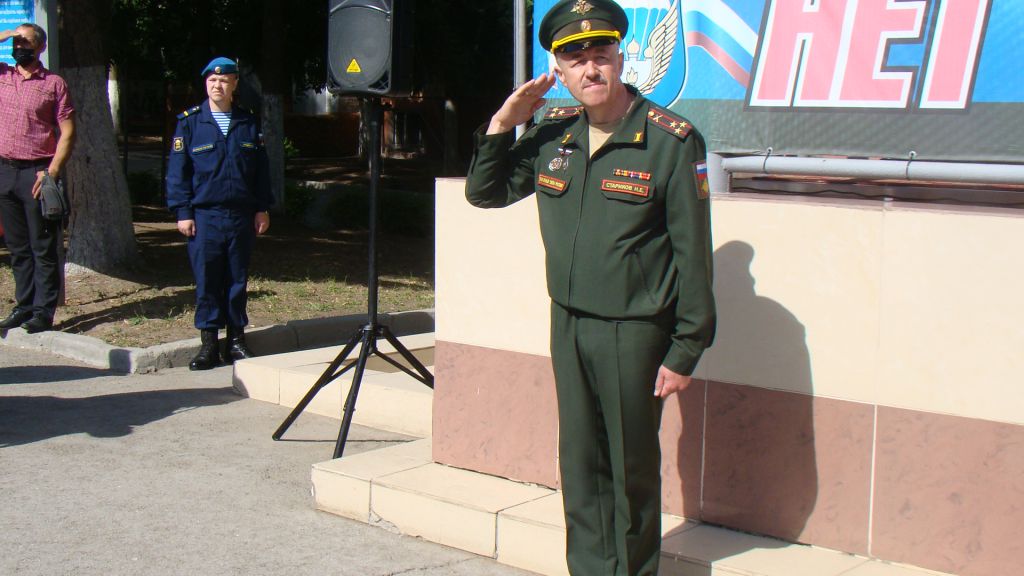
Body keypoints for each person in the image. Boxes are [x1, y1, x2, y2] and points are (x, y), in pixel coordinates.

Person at [464, 1, 716, 574]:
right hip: (569, 323)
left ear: (620, 59)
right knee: (580, 465)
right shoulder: (554, 133)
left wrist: (687, 346)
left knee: (628, 469)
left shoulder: (670, 141)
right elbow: (485, 192)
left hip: (634, 330)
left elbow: (693, 252)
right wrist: (503, 123)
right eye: (575, 60)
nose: (590, 69)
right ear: (559, 70)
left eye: (600, 55)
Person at [166, 57, 273, 371]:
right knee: (208, 279)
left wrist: (262, 207)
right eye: (212, 81)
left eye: (224, 80)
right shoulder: (190, 123)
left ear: (234, 84)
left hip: (240, 214)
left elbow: (261, 171)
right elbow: (178, 172)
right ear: (205, 83)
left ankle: (236, 341)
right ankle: (209, 344)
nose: (218, 86)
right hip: (205, 216)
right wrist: (183, 211)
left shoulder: (247, 122)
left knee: (237, 279)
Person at [0, 23, 75, 334]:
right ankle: (24, 306)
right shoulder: (3, 75)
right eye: (16, 43)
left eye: (25, 42)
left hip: (37, 172)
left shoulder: (54, 84)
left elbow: (68, 133)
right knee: (17, 247)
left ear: (40, 47)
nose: (19, 47)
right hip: (5, 172)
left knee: (43, 247)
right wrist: (7, 33)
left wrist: (51, 172)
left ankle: (44, 312)